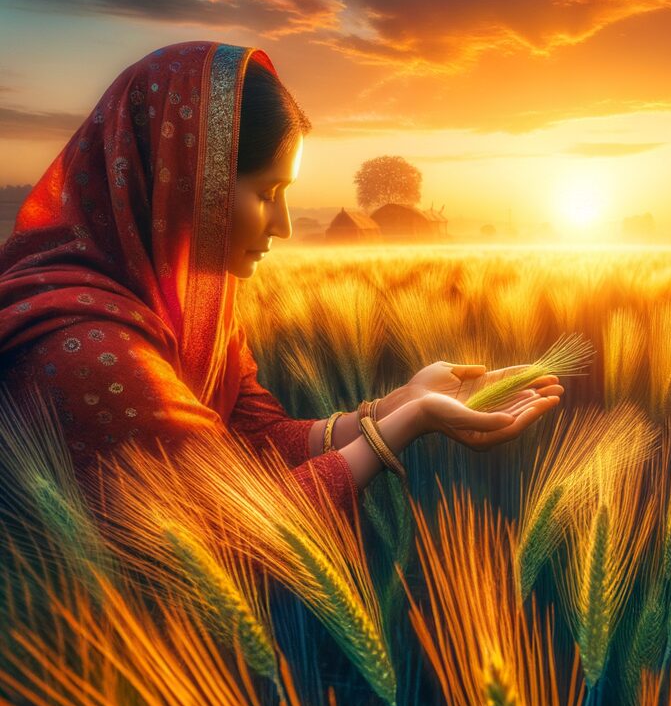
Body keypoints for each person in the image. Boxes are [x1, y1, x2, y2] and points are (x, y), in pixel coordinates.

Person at [0, 41, 562, 518]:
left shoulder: (194, 317)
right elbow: (235, 526)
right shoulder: (88, 350)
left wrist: (398, 403)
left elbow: (256, 443)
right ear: (189, 185)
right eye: (268, 193)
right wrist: (406, 425)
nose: (286, 225)